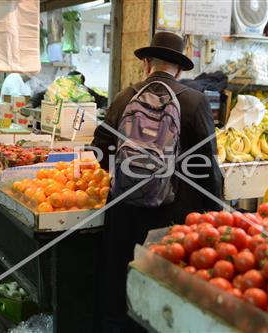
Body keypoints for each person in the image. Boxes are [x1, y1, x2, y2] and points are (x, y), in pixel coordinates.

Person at [92, 31, 222, 332]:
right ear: (178, 68)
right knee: (163, 296)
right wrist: (213, 215)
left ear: (147, 63)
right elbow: (209, 167)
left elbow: (100, 154)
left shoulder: (125, 97)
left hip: (126, 212)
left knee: (119, 289)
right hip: (172, 218)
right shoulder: (194, 100)